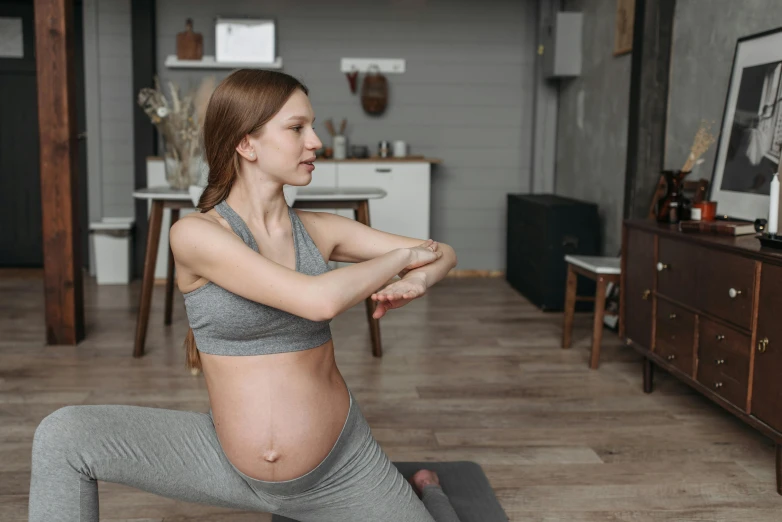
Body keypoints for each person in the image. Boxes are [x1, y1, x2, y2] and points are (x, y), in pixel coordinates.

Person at [28, 69, 460, 522]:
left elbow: (443, 252)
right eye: (297, 128)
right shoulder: (194, 234)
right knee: (63, 435)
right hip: (222, 462)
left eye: (312, 127)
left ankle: (428, 490)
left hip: (341, 468)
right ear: (246, 143)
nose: (315, 142)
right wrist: (401, 258)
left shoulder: (320, 230)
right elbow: (318, 300)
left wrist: (419, 279)